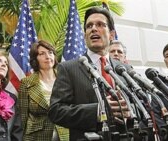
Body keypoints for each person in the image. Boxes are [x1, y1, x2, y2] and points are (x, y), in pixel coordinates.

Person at [48, 7, 132, 141]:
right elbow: (56, 111)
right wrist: (98, 111)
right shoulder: (68, 68)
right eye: (89, 26)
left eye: (100, 24)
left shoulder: (124, 69)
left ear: (111, 34)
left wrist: (130, 110)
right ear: (84, 35)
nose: (93, 29)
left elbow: (141, 105)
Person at [18, 40, 69, 141]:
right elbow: (22, 117)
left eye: (50, 52)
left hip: (64, 134)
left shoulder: (66, 79)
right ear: (35, 59)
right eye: (42, 53)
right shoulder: (26, 83)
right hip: (36, 136)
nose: (47, 56)